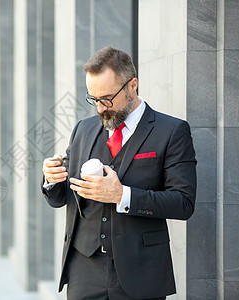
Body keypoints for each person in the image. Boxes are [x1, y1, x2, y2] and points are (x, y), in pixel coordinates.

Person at [41, 46, 196, 300]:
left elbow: (183, 202)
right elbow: (61, 198)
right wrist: (52, 178)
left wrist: (123, 195)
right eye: (93, 99)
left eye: (107, 98)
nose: (101, 108)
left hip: (141, 273)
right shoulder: (83, 129)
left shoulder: (172, 131)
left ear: (132, 85)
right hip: (83, 272)